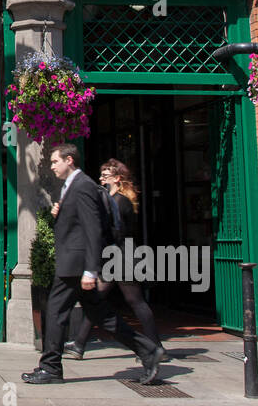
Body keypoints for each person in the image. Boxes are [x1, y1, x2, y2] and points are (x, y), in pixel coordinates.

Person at [23, 144, 162, 386]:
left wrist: (90, 270)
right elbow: (78, 225)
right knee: (102, 314)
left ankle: (50, 367)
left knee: (55, 312)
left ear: (69, 160)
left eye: (55, 161)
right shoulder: (74, 186)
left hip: (75, 264)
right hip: (74, 262)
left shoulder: (83, 186)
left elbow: (93, 229)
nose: (52, 166)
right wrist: (59, 214)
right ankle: (148, 350)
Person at [65, 159, 164, 360]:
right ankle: (79, 343)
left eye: (106, 175)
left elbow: (115, 232)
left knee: (135, 301)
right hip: (113, 257)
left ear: (118, 179)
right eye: (101, 175)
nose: (101, 179)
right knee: (96, 299)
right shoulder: (109, 200)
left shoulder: (120, 201)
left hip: (123, 256)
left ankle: (155, 347)